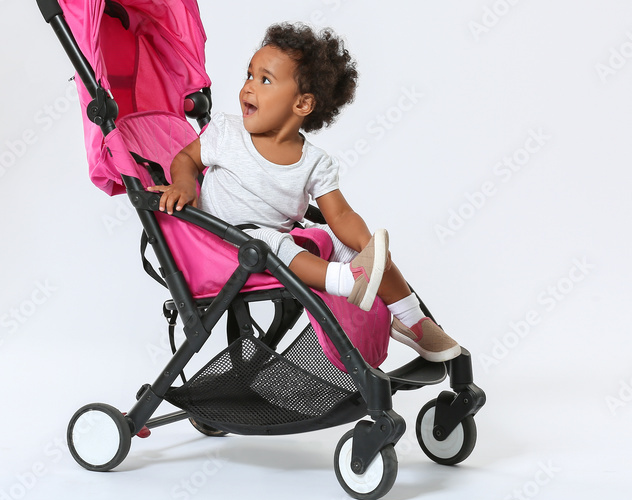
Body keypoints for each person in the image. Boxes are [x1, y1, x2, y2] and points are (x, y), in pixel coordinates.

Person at [148, 23, 460, 362]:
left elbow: (339, 214)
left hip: (271, 251)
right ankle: (344, 281)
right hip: (219, 248)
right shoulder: (226, 132)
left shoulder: (314, 162)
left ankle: (413, 321)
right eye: (249, 75)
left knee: (339, 240)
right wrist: (183, 183)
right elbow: (185, 159)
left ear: (302, 104)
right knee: (267, 240)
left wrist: (366, 247)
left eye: (264, 80)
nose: (248, 87)